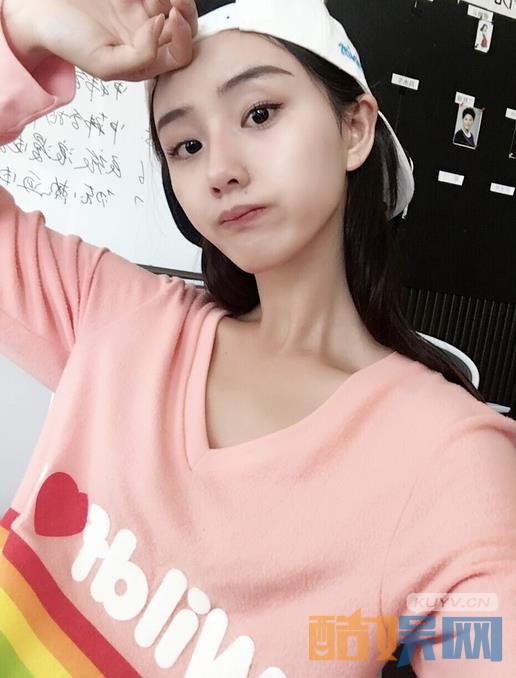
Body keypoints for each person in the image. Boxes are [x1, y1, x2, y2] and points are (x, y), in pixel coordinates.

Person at [0, 0, 515, 676]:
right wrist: (27, 24)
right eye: (186, 146)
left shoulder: (452, 463)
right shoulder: (114, 314)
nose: (220, 169)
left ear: (355, 128)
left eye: (260, 113)